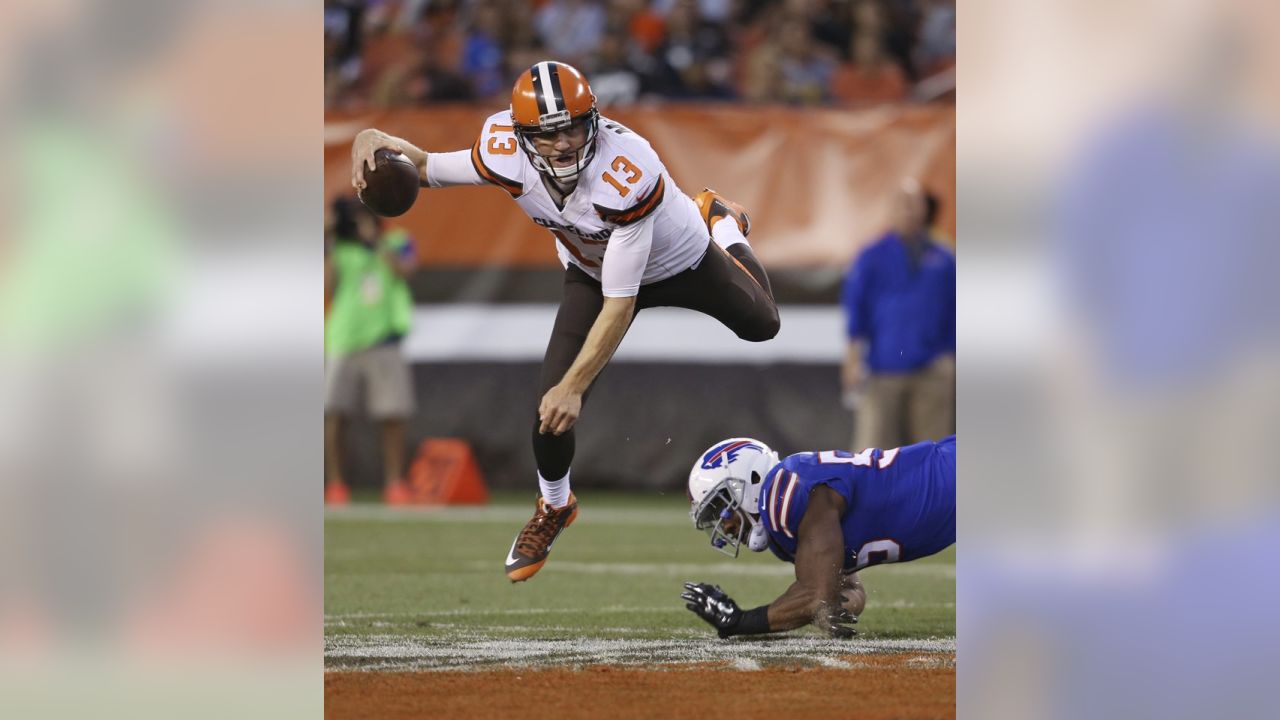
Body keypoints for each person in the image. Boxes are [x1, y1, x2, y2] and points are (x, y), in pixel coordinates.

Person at [350, 61, 779, 581]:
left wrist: (577, 385)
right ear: (523, 136)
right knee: (549, 410)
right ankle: (555, 505)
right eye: (548, 134)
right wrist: (372, 139)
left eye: (574, 126)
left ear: (593, 119)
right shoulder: (503, 150)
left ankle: (722, 221)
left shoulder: (628, 171)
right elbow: (427, 169)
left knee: (763, 324)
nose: (565, 143)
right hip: (591, 271)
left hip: (680, 261)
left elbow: (622, 303)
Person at [681, 435, 955, 638]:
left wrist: (739, 621)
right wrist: (831, 610)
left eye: (721, 507)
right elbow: (847, 591)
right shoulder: (784, 527)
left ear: (749, 478)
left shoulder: (787, 492)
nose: (724, 525)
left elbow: (815, 594)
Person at [840, 178, 955, 453]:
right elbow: (856, 309)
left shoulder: (943, 257)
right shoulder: (871, 256)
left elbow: (954, 310)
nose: (908, 212)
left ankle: (935, 497)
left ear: (925, 209)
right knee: (873, 452)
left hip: (931, 369)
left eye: (914, 204)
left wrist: (950, 360)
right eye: (901, 205)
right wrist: (853, 358)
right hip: (883, 368)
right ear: (890, 210)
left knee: (934, 451)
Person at [324, 196, 418, 505]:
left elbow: (406, 271)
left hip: (385, 338)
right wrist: (327, 237)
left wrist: (375, 242)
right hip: (344, 339)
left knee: (393, 414)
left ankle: (395, 483)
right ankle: (336, 484)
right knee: (335, 414)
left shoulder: (397, 240)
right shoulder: (338, 248)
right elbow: (327, 285)